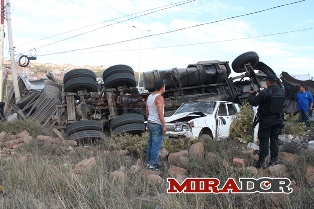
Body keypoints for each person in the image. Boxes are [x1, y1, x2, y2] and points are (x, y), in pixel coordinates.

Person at [248, 74, 285, 168]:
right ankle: (273, 160)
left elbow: (253, 102)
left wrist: (251, 94)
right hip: (278, 119)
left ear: (268, 82)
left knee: (264, 140)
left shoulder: (264, 92)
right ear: (276, 82)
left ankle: (261, 162)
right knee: (274, 140)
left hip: (266, 120)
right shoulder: (282, 91)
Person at [146, 79, 167, 170]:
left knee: (150, 144)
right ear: (162, 87)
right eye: (164, 86)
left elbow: (147, 110)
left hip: (150, 122)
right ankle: (153, 164)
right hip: (156, 124)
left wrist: (148, 119)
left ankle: (149, 162)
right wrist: (164, 125)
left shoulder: (150, 96)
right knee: (156, 145)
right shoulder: (159, 98)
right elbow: (160, 113)